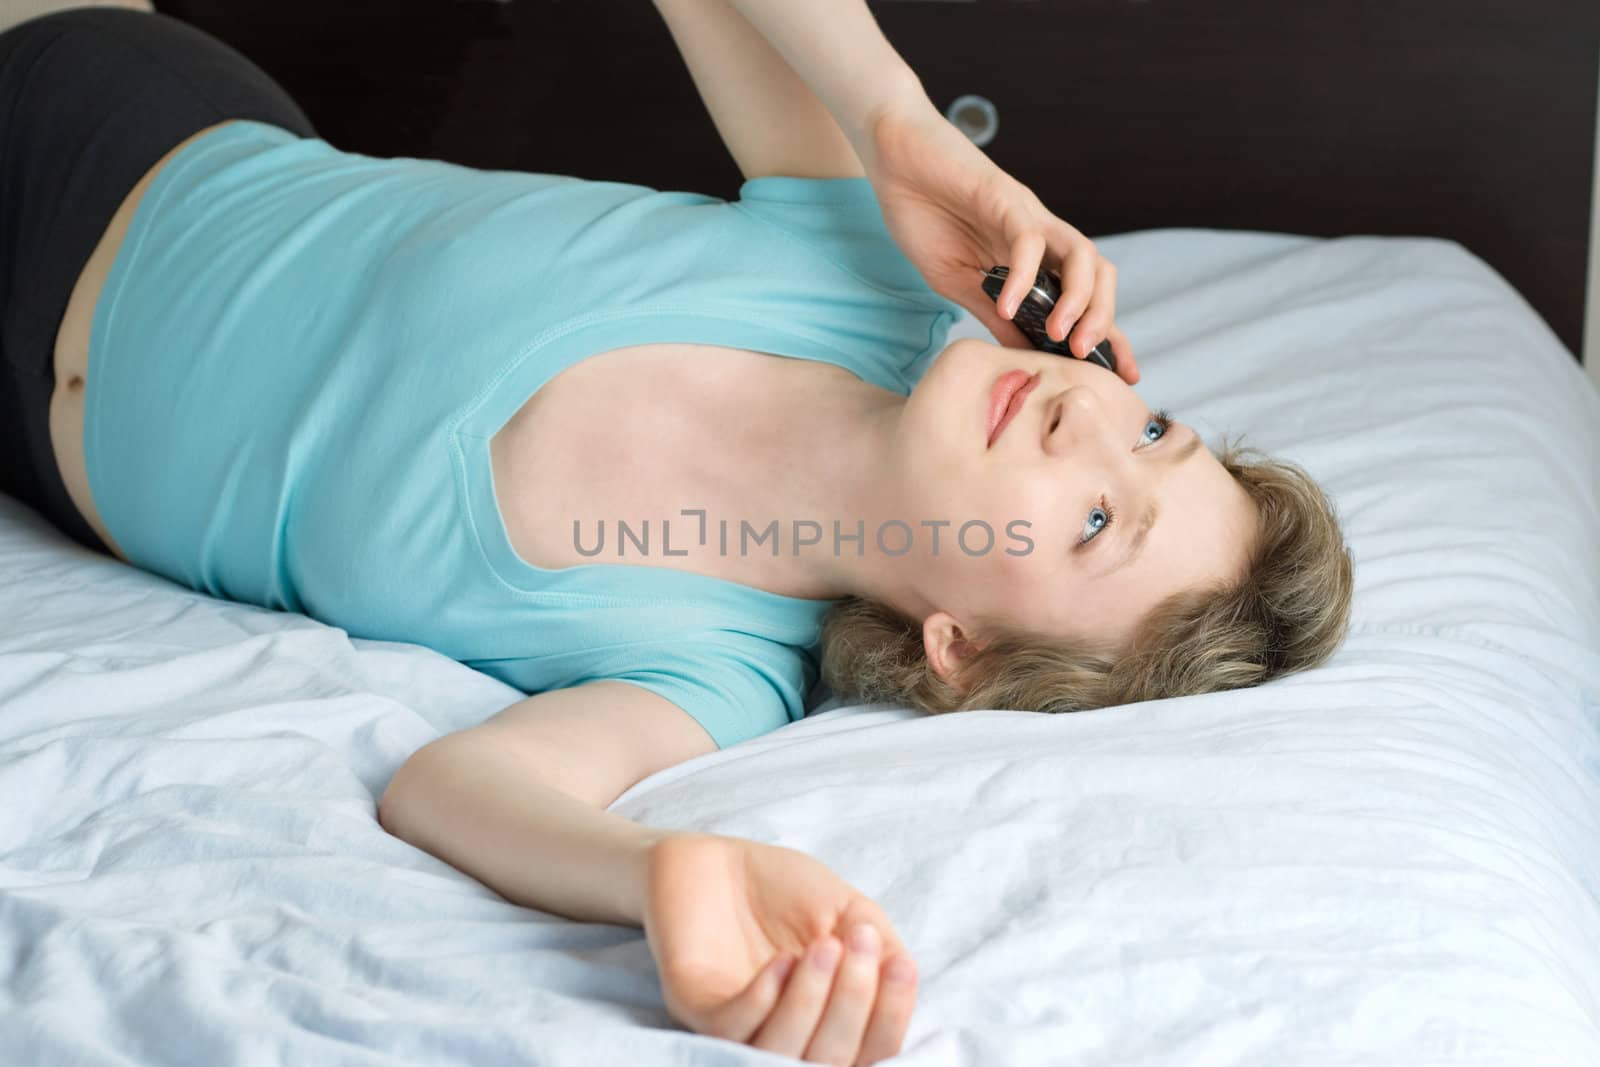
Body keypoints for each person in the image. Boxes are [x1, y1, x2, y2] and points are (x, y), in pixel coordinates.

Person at [0, 2, 1355, 1064]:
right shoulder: (855, 272)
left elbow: (456, 790)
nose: (1092, 424)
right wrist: (894, 121)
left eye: (1103, 519)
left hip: (31, 445)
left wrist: (661, 874)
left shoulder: (715, 669)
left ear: (960, 650)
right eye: (1158, 428)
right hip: (108, 127)